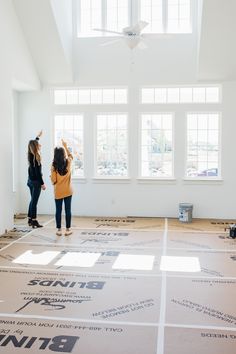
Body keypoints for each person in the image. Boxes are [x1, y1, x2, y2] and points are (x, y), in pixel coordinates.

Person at [50, 139, 73, 236]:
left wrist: (51, 176)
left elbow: (53, 181)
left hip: (58, 192)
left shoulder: (53, 166)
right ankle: (68, 229)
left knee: (58, 210)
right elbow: (71, 156)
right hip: (68, 191)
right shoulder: (68, 162)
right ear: (63, 154)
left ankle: (59, 230)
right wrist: (65, 146)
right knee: (68, 210)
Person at [27, 130, 46, 228]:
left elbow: (32, 143)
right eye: (38, 144)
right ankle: (34, 220)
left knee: (32, 200)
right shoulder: (36, 158)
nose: (40, 145)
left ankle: (30, 219)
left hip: (30, 181)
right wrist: (42, 184)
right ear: (36, 147)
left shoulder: (30, 155)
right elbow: (38, 174)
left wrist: (38, 136)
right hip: (36, 183)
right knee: (34, 202)